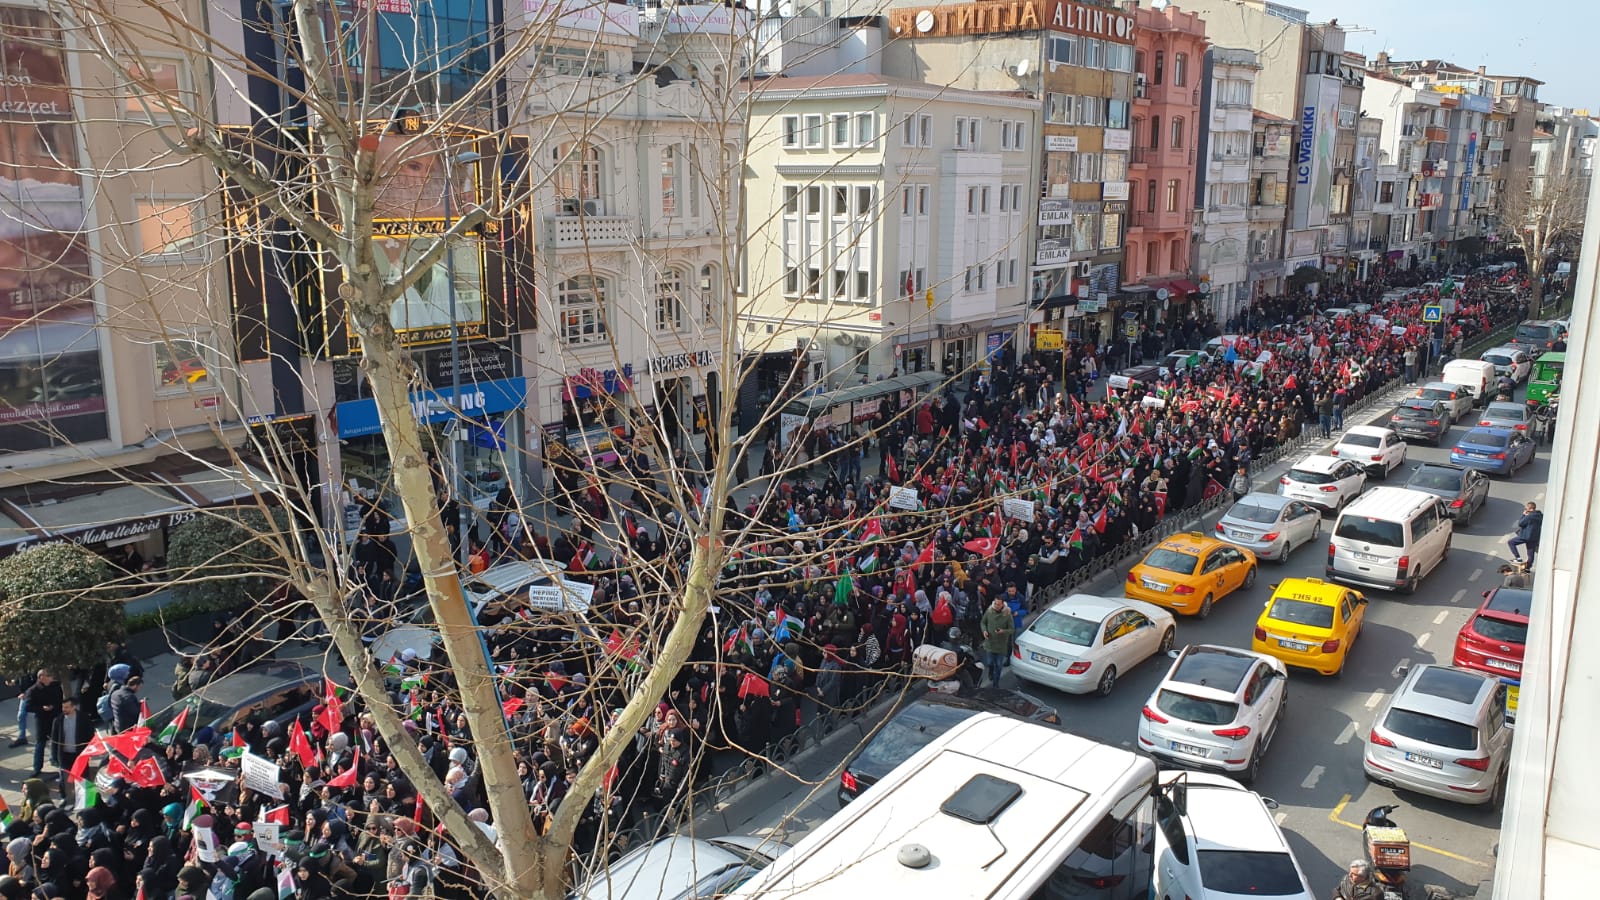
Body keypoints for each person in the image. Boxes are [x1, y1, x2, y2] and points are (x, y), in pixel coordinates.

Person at [979, 597, 1014, 690]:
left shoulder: (1007, 615)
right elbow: (983, 622)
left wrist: (1003, 631)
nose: (996, 606)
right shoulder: (989, 612)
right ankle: (990, 671)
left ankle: (996, 684)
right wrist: (984, 631)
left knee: (998, 666)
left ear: (1002, 605)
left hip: (1001, 645)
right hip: (990, 643)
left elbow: (1011, 629)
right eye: (995, 604)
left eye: (998, 604)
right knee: (989, 663)